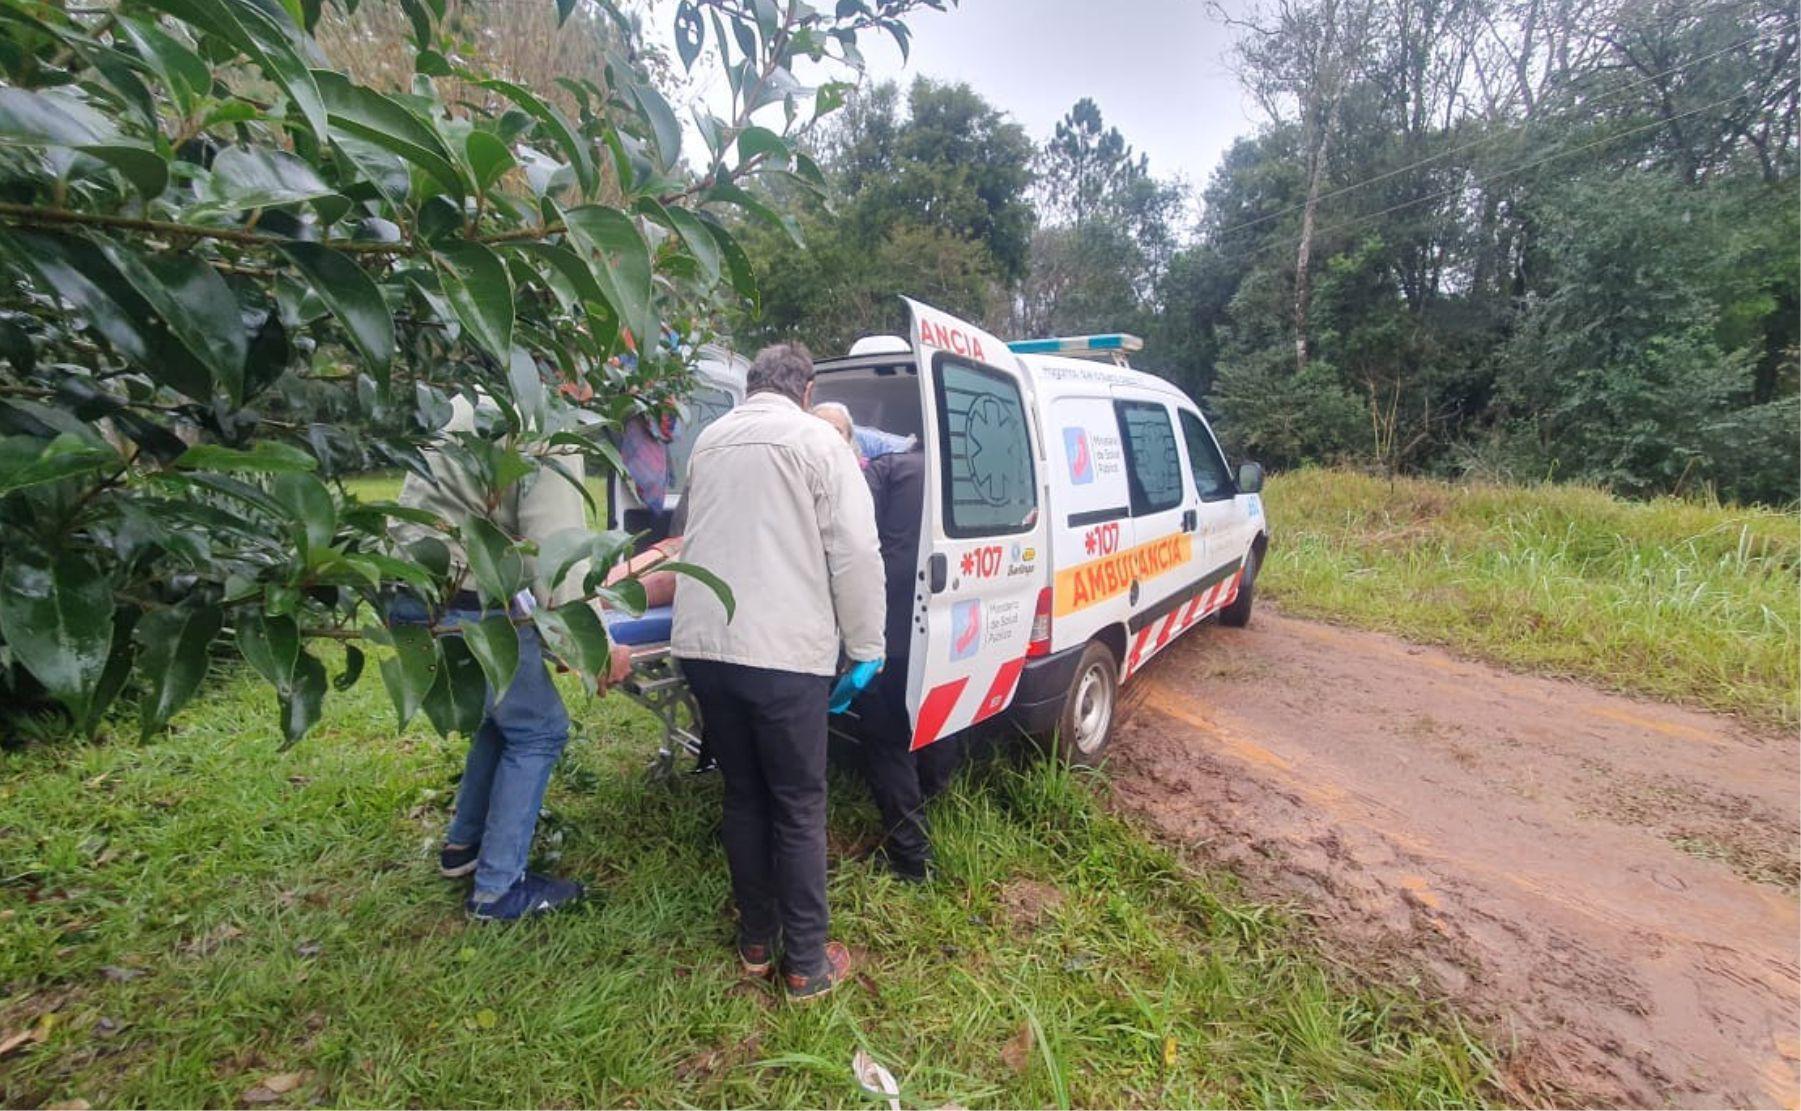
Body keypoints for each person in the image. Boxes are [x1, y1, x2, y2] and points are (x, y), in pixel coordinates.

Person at [673, 343, 886, 1002]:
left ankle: (756, 944)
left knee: (743, 793)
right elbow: (853, 549)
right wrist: (866, 644)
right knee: (797, 804)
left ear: (750, 385)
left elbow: (688, 534)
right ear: (806, 387)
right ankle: (806, 966)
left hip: (704, 647)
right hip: (783, 654)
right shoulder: (817, 440)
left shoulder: (708, 439)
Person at [390, 393, 607, 922]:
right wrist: (590, 646)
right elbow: (559, 554)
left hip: (407, 584)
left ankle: (462, 849)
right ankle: (497, 890)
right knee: (539, 728)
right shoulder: (546, 423)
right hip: (464, 593)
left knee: (500, 717)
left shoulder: (470, 402)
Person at [851, 438, 962, 881]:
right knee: (940, 717)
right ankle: (934, 797)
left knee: (887, 738)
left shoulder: (889, 468)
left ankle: (911, 857)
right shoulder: (964, 474)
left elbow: (852, 536)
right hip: (956, 622)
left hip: (896, 621)